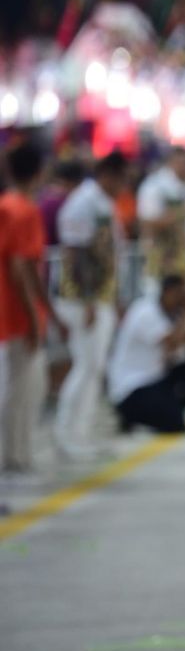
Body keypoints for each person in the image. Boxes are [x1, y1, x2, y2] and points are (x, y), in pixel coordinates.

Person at [52, 152, 129, 459]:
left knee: (95, 367)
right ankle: (65, 435)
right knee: (85, 366)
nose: (124, 186)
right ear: (108, 175)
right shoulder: (83, 202)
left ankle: (82, 433)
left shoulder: (102, 203)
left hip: (100, 296)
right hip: (84, 299)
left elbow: (110, 254)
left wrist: (114, 297)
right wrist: (87, 300)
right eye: (122, 180)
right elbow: (75, 253)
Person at [0, 143, 63, 474]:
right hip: (18, 314)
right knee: (24, 387)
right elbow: (22, 268)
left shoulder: (7, 206)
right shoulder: (24, 211)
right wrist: (35, 316)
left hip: (9, 311)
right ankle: (16, 454)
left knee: (17, 385)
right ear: (39, 172)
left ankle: (16, 451)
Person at [107, 274, 185, 434]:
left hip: (156, 378)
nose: (183, 299)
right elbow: (172, 343)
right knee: (175, 425)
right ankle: (132, 416)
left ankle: (173, 411)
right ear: (169, 292)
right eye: (181, 295)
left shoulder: (173, 313)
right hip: (132, 386)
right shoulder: (145, 312)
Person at [136, 147, 185, 295]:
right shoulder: (155, 186)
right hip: (163, 259)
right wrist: (184, 211)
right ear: (173, 162)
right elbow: (148, 223)